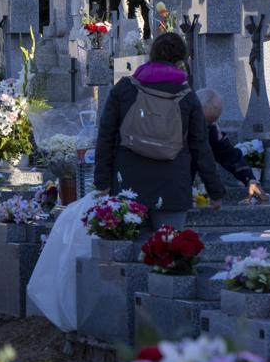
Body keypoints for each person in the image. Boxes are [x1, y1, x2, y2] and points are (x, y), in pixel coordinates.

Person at [94, 32, 225, 230]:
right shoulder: (188, 96)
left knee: (125, 252)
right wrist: (214, 191)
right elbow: (200, 146)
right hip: (172, 185)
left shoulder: (125, 89)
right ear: (181, 59)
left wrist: (102, 181)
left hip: (128, 183)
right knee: (169, 251)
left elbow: (105, 136)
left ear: (152, 54)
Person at [197, 89, 265, 205]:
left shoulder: (212, 129)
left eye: (211, 123)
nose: (206, 128)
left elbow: (229, 155)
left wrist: (250, 179)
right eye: (205, 122)